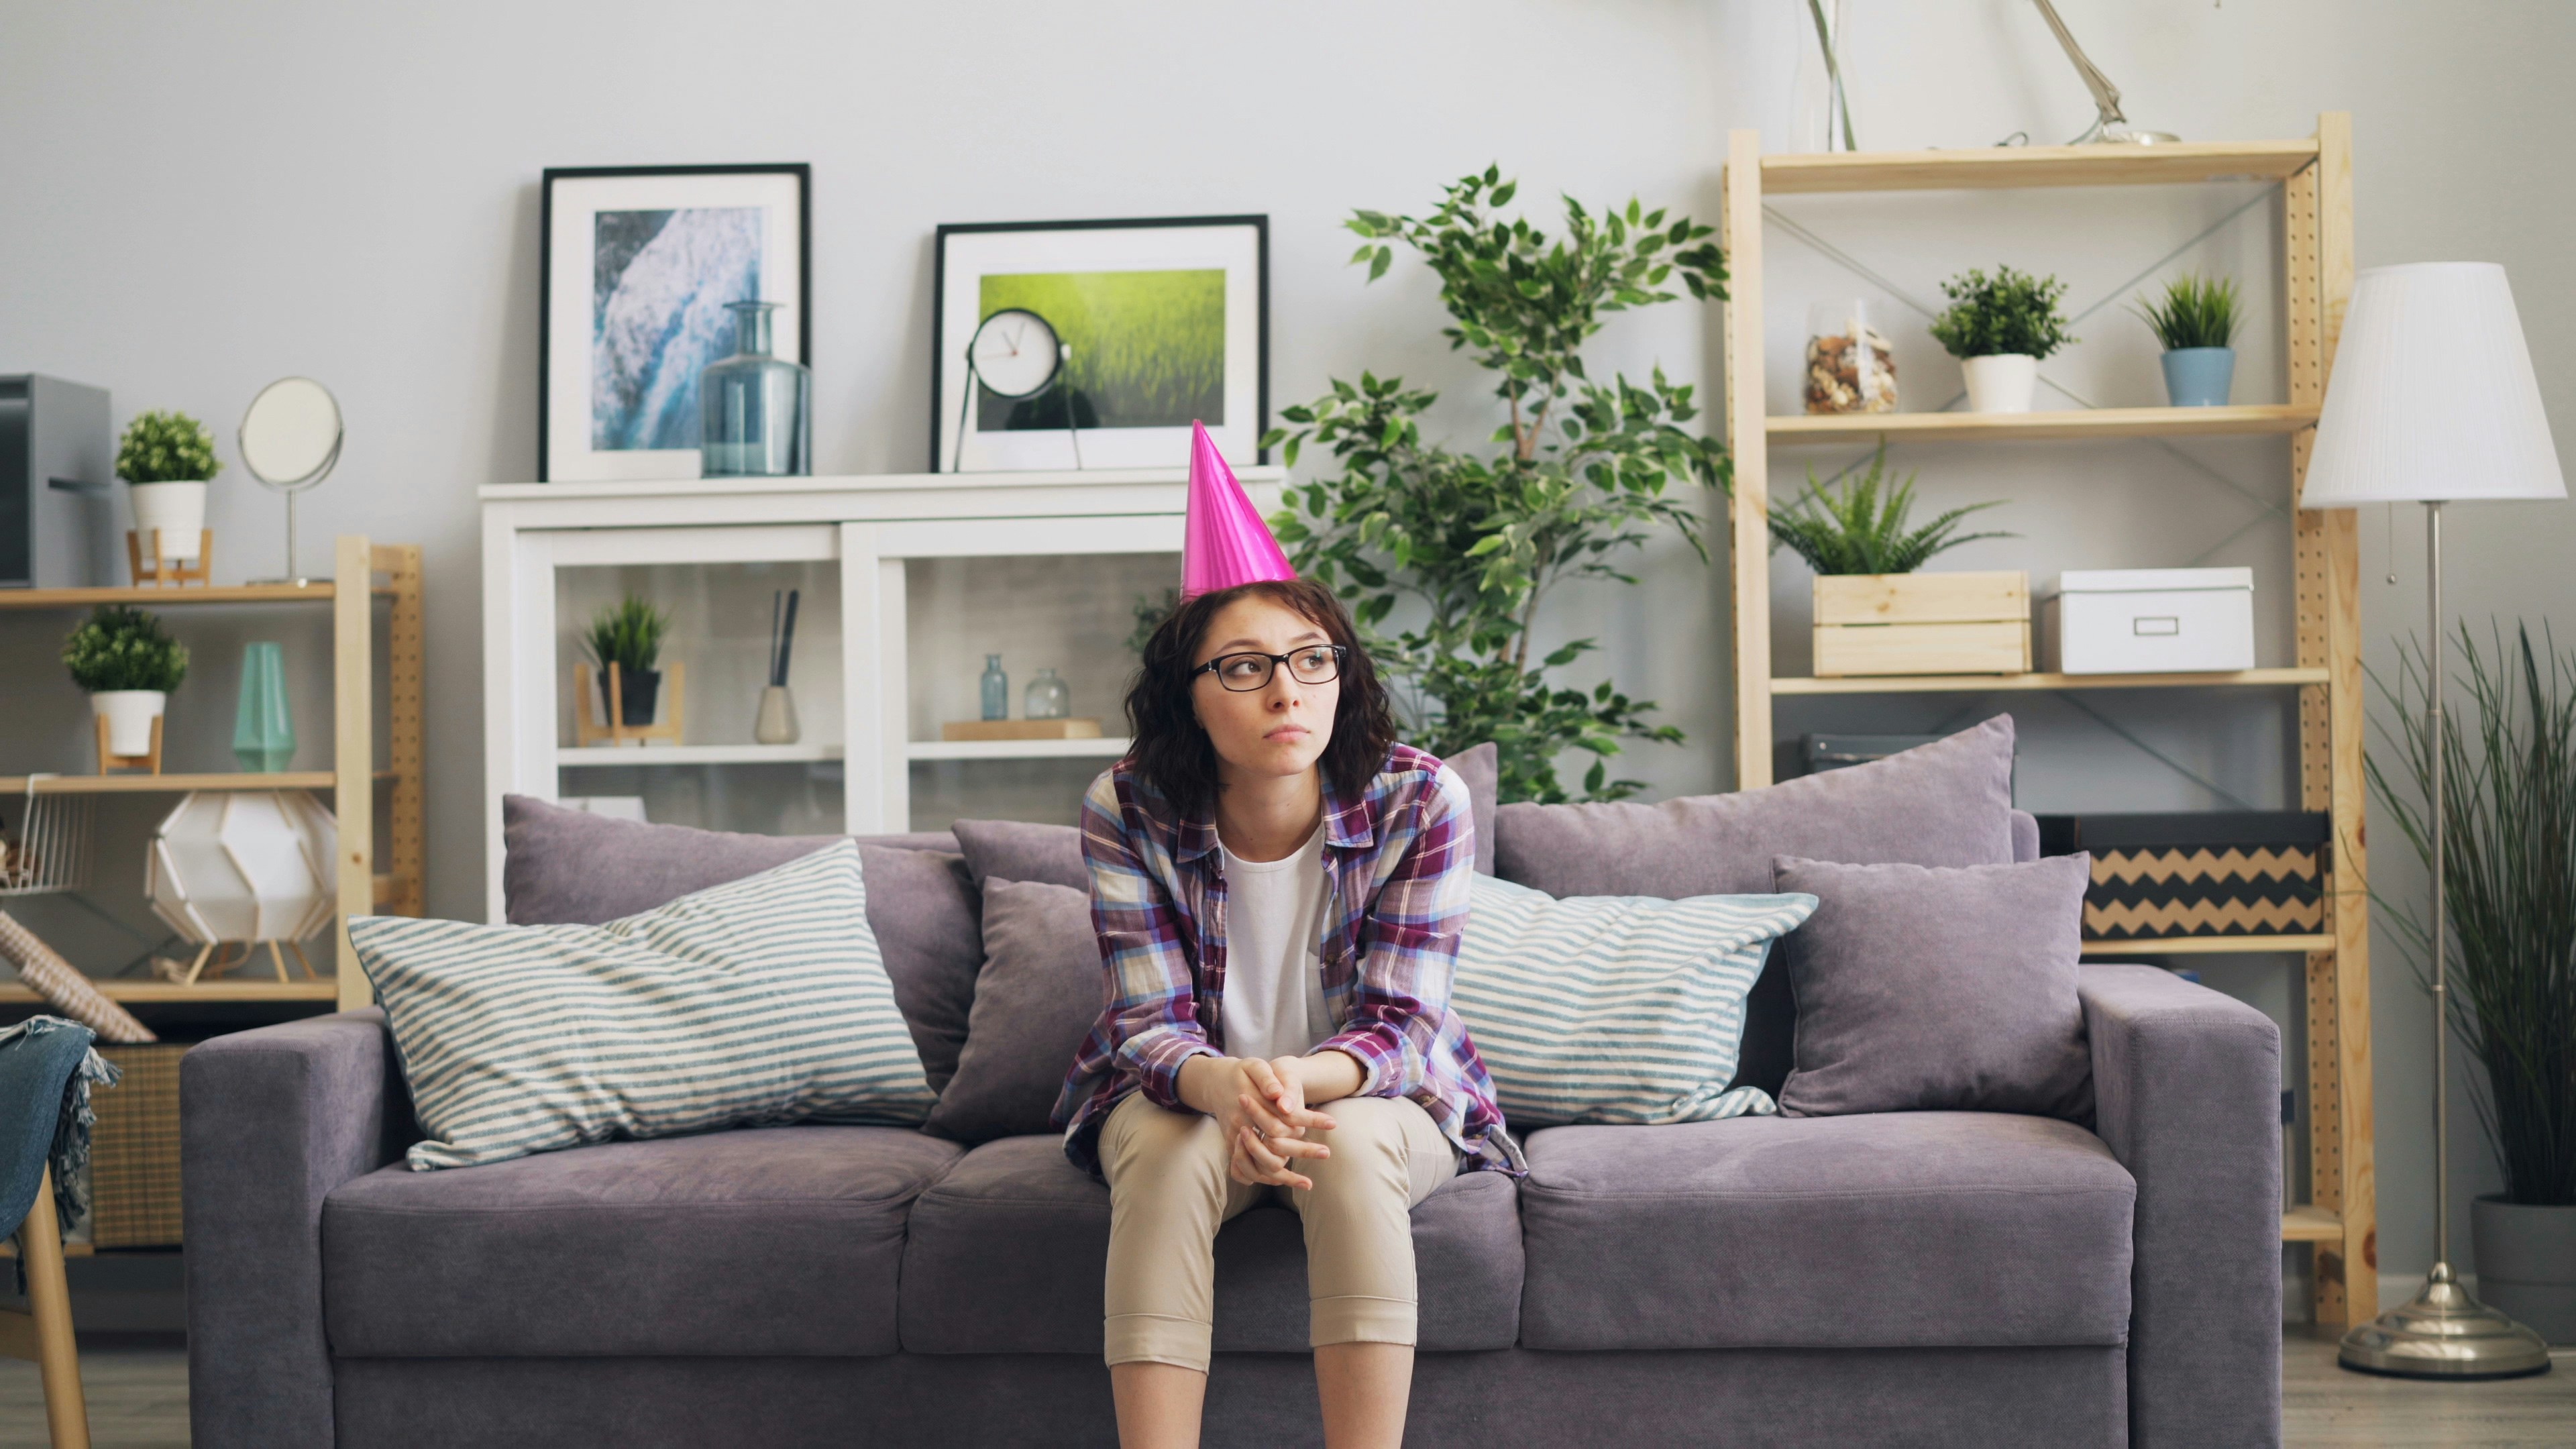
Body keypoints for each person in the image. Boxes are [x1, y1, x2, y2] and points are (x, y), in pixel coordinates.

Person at [1051, 426, 1519, 1449]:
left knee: (1345, 1146)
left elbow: (1403, 1023)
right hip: (1188, 1090)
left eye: (1313, 660)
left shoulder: (1418, 798)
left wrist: (1292, 1085)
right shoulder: (1123, 806)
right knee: (1172, 1156)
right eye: (1247, 667)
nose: (1287, 691)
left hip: (1372, 1093)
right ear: (1189, 695)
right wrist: (1222, 1085)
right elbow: (1148, 1018)